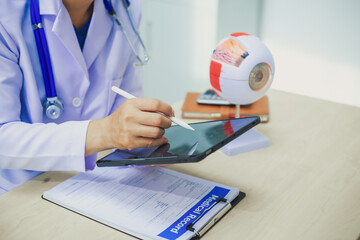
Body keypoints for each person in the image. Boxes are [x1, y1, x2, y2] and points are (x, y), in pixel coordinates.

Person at [0, 0, 174, 194]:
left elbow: (125, 102)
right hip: (21, 189)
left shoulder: (126, 7)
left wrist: (141, 142)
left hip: (94, 184)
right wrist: (103, 133)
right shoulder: (6, 13)